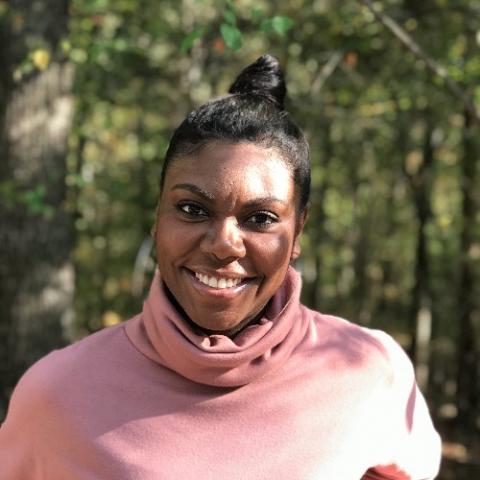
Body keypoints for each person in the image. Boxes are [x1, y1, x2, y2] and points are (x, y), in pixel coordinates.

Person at [0, 54, 441, 479]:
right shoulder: (57, 393)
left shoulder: (368, 369)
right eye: (192, 209)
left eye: (261, 218)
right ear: (157, 217)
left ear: (298, 233)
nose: (223, 245)